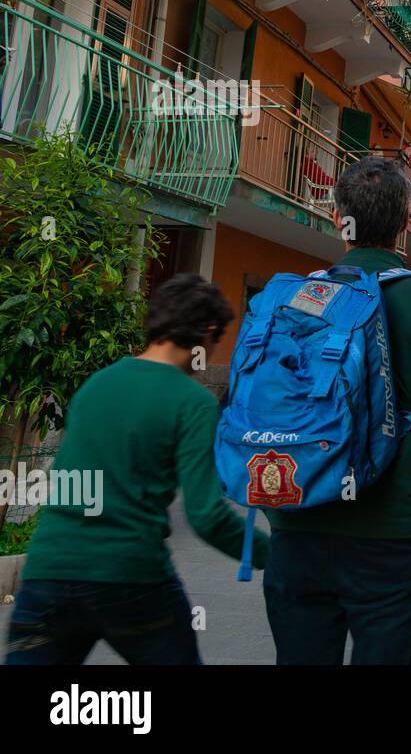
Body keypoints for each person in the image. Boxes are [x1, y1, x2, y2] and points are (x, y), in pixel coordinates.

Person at [262, 157, 411, 665]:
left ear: (339, 218)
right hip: (397, 533)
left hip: (301, 527)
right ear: (406, 222)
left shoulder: (298, 297)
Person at [6, 275, 269, 665]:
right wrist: (277, 557)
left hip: (48, 572)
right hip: (130, 576)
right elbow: (208, 515)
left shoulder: (97, 385)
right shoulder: (191, 401)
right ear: (209, 331)